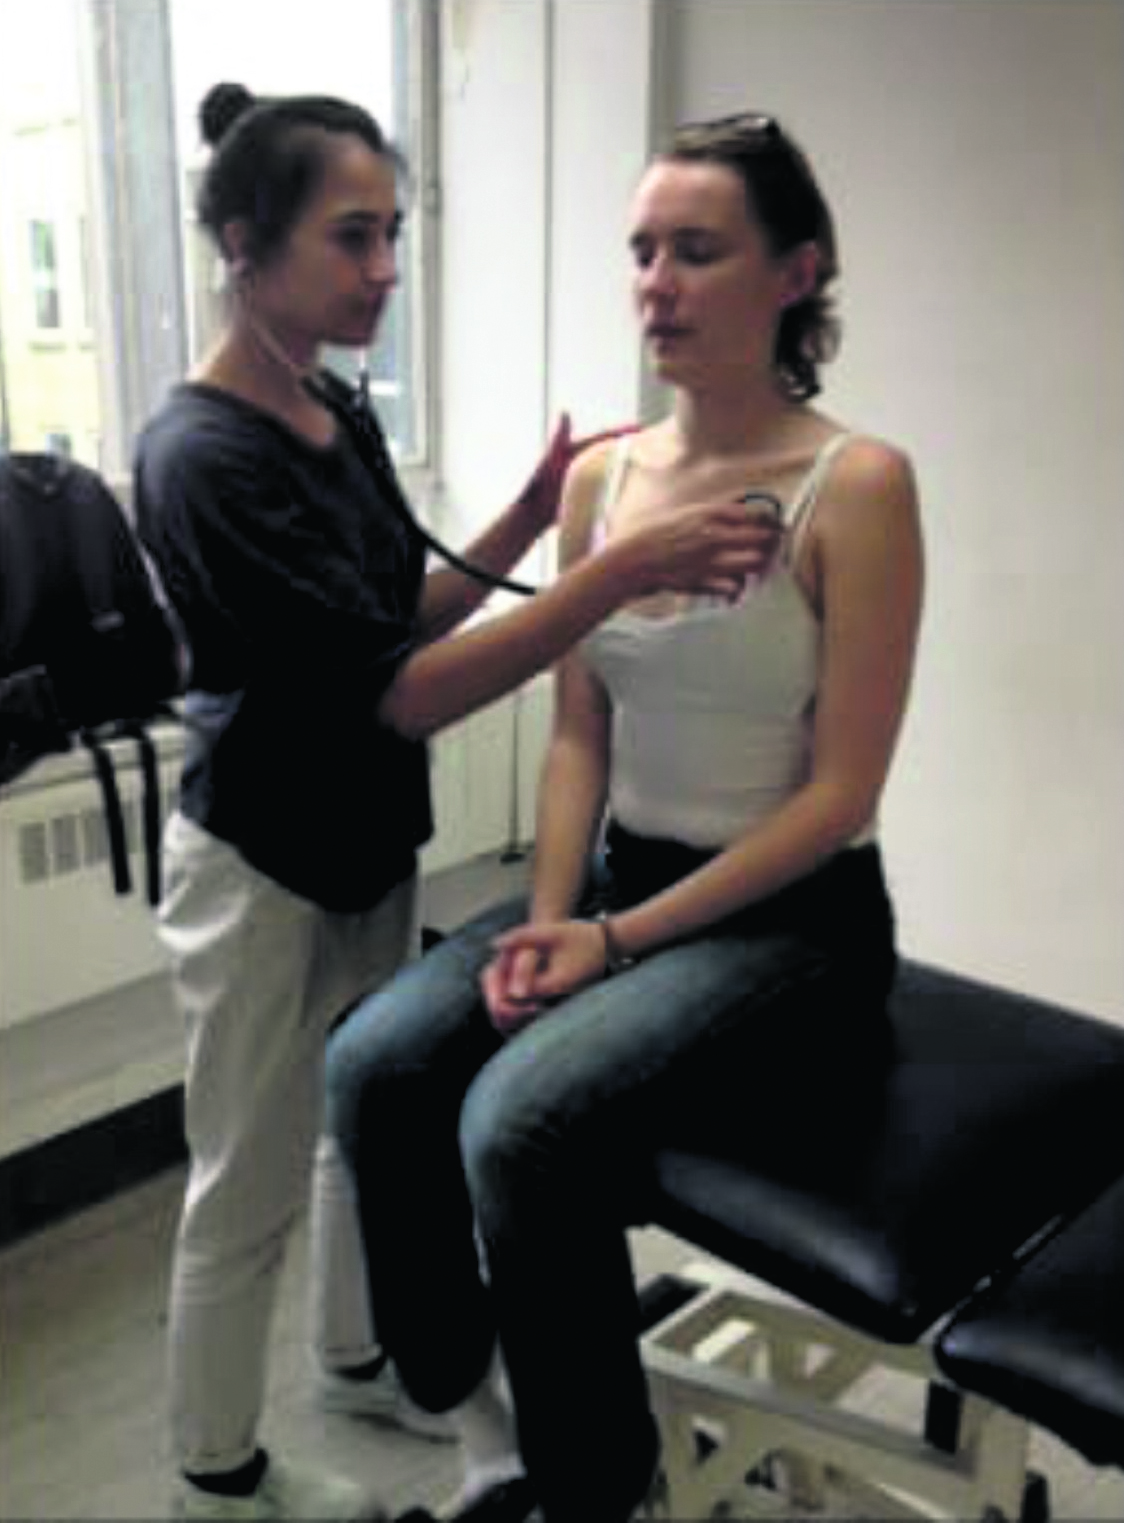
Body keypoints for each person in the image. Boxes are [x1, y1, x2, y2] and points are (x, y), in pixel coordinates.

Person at [133, 83, 774, 1523]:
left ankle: (357, 1361)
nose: (384, 270)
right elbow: (397, 693)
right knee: (245, 1179)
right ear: (244, 243)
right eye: (351, 238)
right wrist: (612, 573)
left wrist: (532, 515)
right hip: (257, 859)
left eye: (394, 235)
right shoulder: (201, 456)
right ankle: (215, 1478)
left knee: (354, 1128)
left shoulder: (329, 408)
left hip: (364, 838)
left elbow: (398, 615)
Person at [327, 109, 924, 1523]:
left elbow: (842, 795)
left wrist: (612, 941)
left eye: (697, 251)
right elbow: (577, 737)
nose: (655, 284)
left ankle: (599, 1492)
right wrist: (549, 922)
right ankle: (476, 1412)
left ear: (796, 273)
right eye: (643, 251)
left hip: (795, 927)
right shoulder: (603, 483)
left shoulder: (857, 486)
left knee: (516, 1121)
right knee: (374, 1063)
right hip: (617, 886)